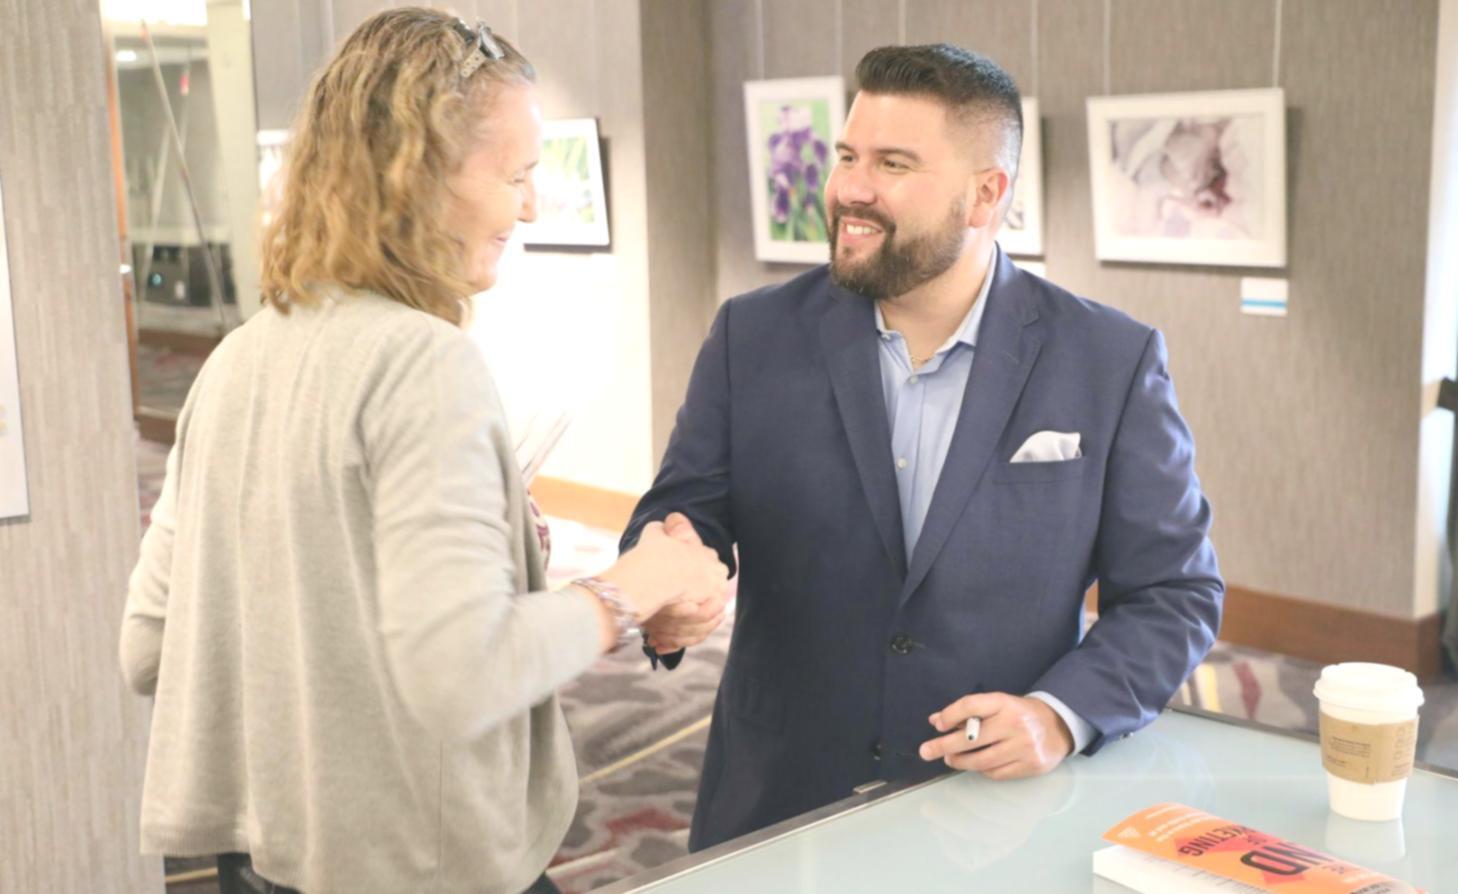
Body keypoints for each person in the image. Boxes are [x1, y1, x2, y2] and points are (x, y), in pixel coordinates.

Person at [117, 9, 726, 893]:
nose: (532, 204)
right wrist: (642, 583)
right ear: (420, 171)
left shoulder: (237, 360)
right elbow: (463, 673)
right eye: (516, 174)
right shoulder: (423, 364)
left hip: (269, 858)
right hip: (417, 863)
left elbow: (149, 648)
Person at [624, 43, 1224, 850]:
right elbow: (682, 509)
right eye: (847, 156)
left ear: (986, 195)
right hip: (778, 798)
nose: (849, 189)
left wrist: (1057, 715)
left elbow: (1174, 592)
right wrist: (668, 579)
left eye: (894, 163)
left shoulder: (1110, 361)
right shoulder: (752, 334)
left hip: (992, 813)